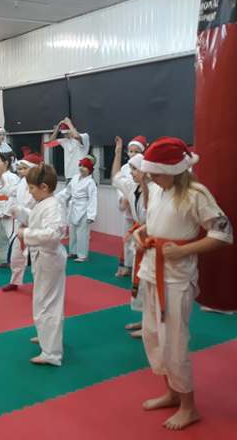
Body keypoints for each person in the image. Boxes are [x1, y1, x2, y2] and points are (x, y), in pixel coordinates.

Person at [133, 137, 233, 430]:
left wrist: (183, 251)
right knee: (152, 336)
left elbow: (223, 234)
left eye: (156, 173)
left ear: (174, 170)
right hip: (151, 270)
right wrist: (142, 234)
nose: (151, 177)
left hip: (176, 278)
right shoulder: (157, 189)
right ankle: (172, 393)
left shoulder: (196, 194)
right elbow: (157, 223)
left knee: (174, 342)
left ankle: (189, 407)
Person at [17, 164, 67, 366]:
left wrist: (26, 233)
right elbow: (35, 219)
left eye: (32, 188)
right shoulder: (43, 202)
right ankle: (46, 335)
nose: (30, 192)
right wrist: (18, 211)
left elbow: (53, 234)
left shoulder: (53, 205)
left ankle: (52, 353)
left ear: (44, 187)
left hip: (49, 258)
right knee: (41, 301)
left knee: (48, 303)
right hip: (42, 258)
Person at [111, 137, 148, 338]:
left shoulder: (156, 190)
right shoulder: (132, 187)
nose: (130, 172)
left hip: (152, 240)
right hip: (139, 236)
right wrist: (118, 152)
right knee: (140, 281)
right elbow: (116, 176)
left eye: (134, 169)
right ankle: (144, 320)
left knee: (148, 282)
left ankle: (150, 325)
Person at [2, 152, 40, 292]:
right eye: (20, 168)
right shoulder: (21, 182)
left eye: (25, 168)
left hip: (35, 224)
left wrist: (22, 212)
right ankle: (15, 281)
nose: (21, 171)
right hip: (21, 224)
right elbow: (9, 192)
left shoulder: (40, 184)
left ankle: (39, 284)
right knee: (16, 254)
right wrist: (2, 179)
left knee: (36, 257)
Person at [115, 135, 148, 277]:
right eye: (130, 151)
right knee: (127, 239)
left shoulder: (146, 168)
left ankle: (138, 268)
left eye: (136, 151)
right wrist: (124, 199)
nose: (132, 154)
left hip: (142, 211)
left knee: (141, 240)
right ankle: (127, 266)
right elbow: (119, 183)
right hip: (130, 208)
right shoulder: (124, 168)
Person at [56, 157, 98, 262]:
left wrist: (91, 215)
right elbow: (67, 191)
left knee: (82, 233)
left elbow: (93, 199)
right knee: (72, 231)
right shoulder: (75, 178)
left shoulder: (90, 182)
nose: (82, 168)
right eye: (81, 166)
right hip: (73, 207)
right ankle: (73, 252)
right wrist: (56, 198)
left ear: (90, 169)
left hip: (84, 209)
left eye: (85, 167)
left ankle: (82, 255)